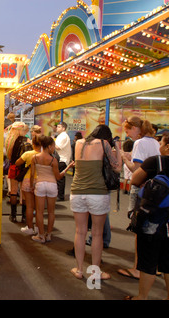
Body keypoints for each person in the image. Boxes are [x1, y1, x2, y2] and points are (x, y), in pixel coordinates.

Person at [70, 125, 121, 280]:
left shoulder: (79, 142)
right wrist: (117, 148)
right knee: (97, 234)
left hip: (77, 192)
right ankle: (95, 272)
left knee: (80, 232)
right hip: (97, 194)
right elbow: (117, 167)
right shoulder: (104, 144)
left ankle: (79, 270)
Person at [125, 134, 169, 300]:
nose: (159, 145)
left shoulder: (156, 161)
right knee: (167, 260)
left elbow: (135, 180)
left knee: (148, 258)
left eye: (162, 143)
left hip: (154, 217)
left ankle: (142, 297)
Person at [118, 116, 161, 280]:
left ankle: (138, 267)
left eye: (128, 129)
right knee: (153, 229)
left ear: (136, 128)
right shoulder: (155, 142)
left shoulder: (139, 143)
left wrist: (124, 158)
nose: (127, 133)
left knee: (139, 230)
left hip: (142, 190)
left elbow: (136, 170)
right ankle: (152, 266)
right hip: (156, 191)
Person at [29, 136, 74, 243]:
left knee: (39, 212)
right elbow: (58, 177)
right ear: (49, 146)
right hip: (52, 185)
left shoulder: (34, 158)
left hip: (40, 184)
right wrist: (68, 168)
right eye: (53, 146)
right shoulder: (53, 160)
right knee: (51, 212)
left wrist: (31, 186)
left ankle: (40, 236)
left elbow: (32, 174)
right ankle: (48, 234)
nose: (54, 148)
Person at [15, 135, 41, 235]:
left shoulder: (28, 154)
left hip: (27, 179)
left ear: (33, 144)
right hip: (40, 180)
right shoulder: (45, 155)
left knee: (29, 206)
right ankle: (39, 227)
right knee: (39, 208)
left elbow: (17, 163)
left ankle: (30, 228)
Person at [5, 122, 29, 222]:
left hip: (13, 166)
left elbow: (9, 156)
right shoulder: (26, 140)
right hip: (24, 168)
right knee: (24, 192)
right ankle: (24, 216)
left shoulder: (9, 141)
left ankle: (13, 215)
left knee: (13, 191)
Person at [55, 122, 72, 201]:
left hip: (62, 159)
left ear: (63, 128)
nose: (57, 128)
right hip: (61, 159)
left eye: (59, 127)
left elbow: (58, 147)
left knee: (60, 178)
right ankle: (59, 194)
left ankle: (60, 195)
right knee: (59, 177)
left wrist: (50, 141)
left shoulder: (63, 136)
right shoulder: (61, 136)